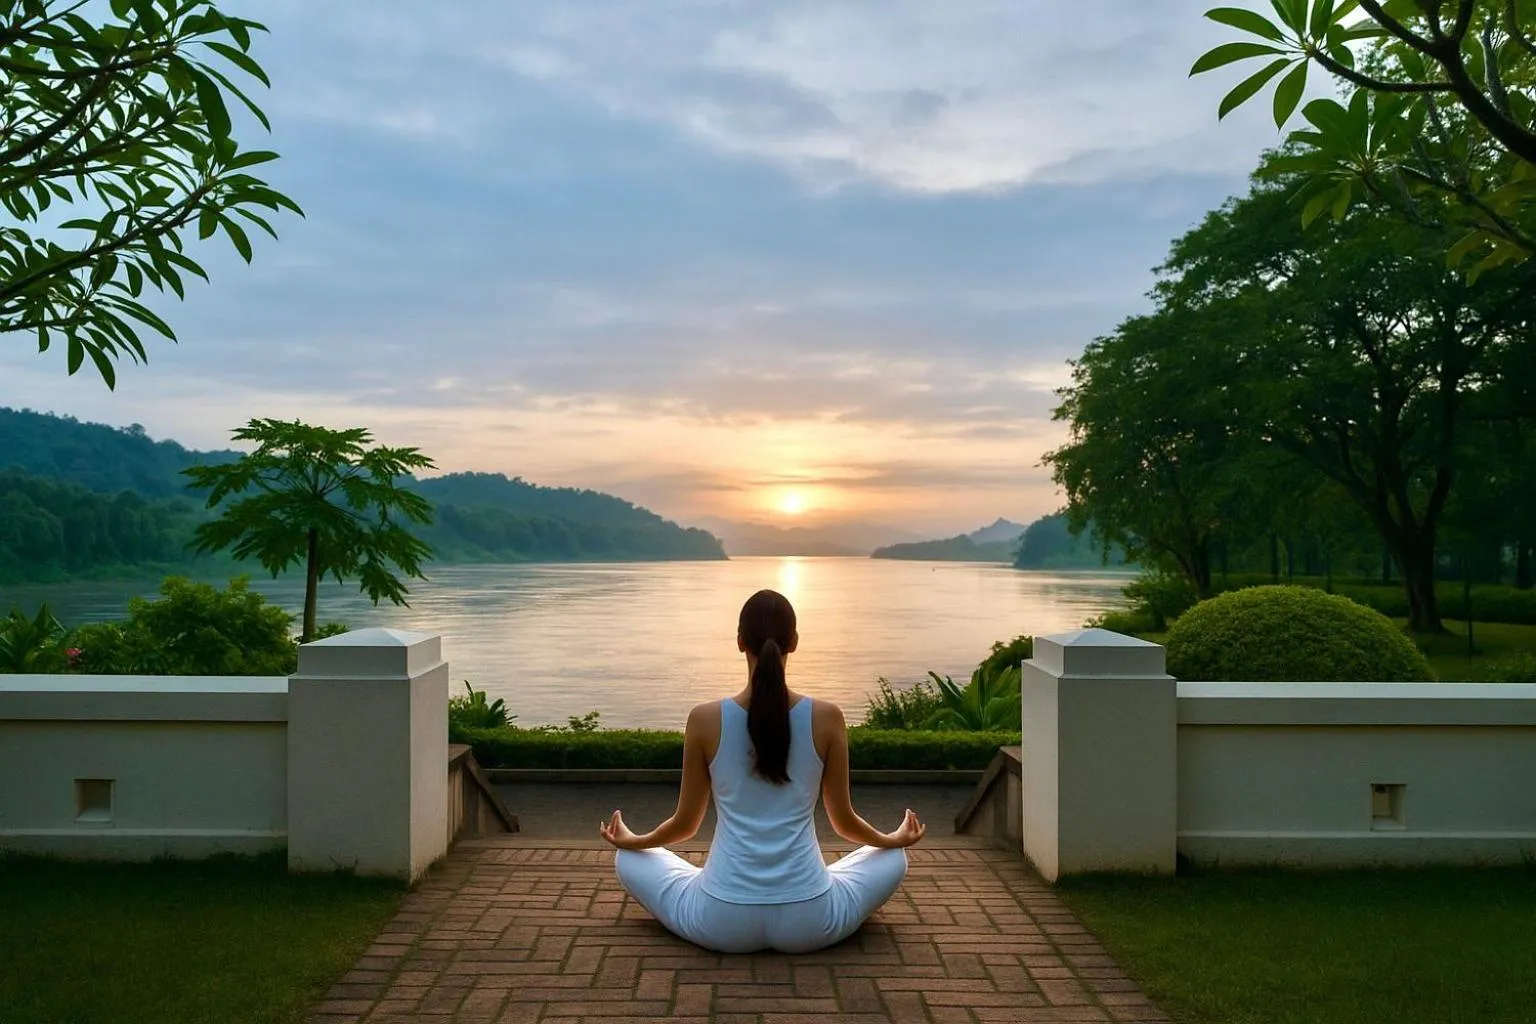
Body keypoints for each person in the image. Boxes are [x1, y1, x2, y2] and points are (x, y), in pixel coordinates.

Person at [599, 588, 926, 954]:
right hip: (811, 920)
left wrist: (633, 842)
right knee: (892, 858)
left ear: (740, 641)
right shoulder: (827, 717)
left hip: (720, 919)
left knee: (629, 859)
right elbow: (844, 823)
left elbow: (685, 825)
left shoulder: (704, 719)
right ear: (794, 642)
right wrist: (892, 840)